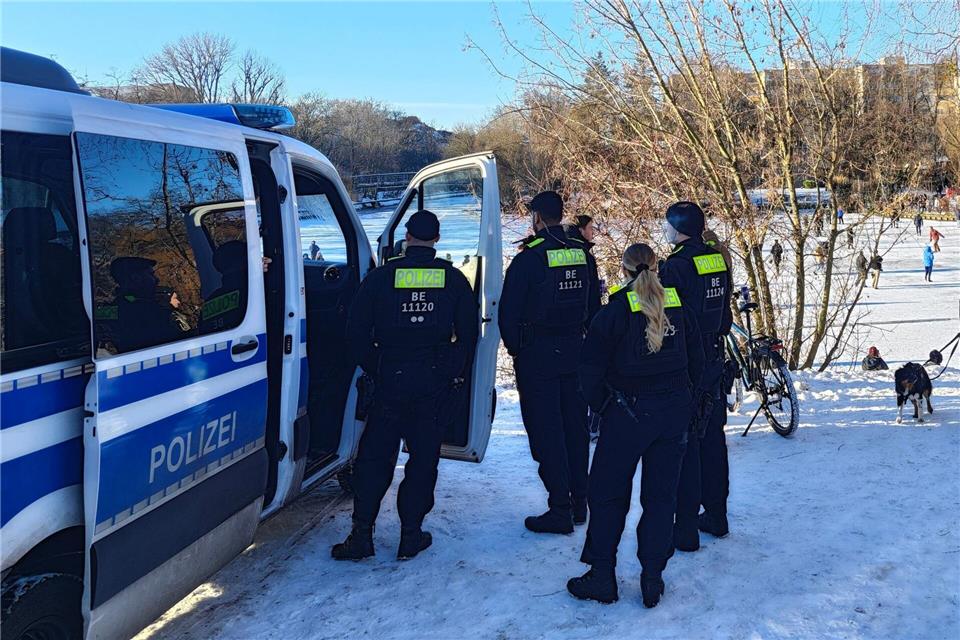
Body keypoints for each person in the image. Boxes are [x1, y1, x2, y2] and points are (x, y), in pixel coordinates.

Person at [331, 210, 477, 561]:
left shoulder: (381, 278)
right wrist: (449, 372)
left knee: (375, 460)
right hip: (432, 383)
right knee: (423, 461)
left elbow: (355, 332)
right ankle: (410, 535)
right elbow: (470, 336)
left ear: (407, 237)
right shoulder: (454, 279)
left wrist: (378, 366)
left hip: (390, 380)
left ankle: (361, 535)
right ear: (437, 240)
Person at [567, 243, 704, 608]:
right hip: (673, 414)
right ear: (656, 267)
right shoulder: (679, 307)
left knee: (607, 495)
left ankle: (602, 576)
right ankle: (652, 577)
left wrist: (605, 407)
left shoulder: (612, 314)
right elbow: (699, 362)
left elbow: (589, 371)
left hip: (626, 415)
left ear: (624, 270)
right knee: (661, 499)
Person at [499, 190, 592, 533]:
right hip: (575, 351)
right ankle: (580, 504)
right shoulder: (582, 254)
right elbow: (592, 306)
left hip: (538, 356)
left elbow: (507, 315)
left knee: (546, 432)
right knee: (575, 430)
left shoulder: (528, 259)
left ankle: (559, 508)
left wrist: (517, 351)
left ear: (537, 218)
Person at [658, 201, 732, 551]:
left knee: (687, 443)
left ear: (677, 228)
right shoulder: (715, 259)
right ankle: (717, 512)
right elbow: (726, 312)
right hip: (715, 356)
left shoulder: (676, 267)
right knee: (713, 439)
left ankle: (685, 524)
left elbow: (668, 318)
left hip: (689, 362)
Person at [106, 256, 189, 353]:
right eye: (151, 274)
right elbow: (172, 341)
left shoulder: (120, 307)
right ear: (136, 278)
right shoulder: (140, 311)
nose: (156, 280)